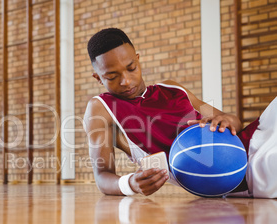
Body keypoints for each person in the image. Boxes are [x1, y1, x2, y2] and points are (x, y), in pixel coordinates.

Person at [83, 28, 277, 198]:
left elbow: (236, 123)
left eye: (131, 68)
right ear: (98, 78)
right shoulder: (101, 108)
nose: (125, 80)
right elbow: (102, 176)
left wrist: (224, 120)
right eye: (112, 76)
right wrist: (130, 183)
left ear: (138, 60)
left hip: (257, 137)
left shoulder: (172, 88)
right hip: (247, 170)